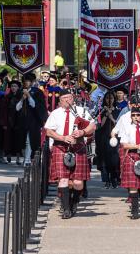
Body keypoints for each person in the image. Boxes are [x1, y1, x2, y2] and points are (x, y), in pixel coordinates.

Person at [45, 88, 96, 219]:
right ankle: (66, 209)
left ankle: (74, 202)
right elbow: (49, 131)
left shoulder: (81, 111)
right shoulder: (55, 113)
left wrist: (82, 132)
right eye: (64, 98)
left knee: (78, 183)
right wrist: (62, 138)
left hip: (78, 147)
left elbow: (92, 126)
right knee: (63, 180)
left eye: (70, 97)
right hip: (61, 147)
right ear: (60, 101)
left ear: (73, 98)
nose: (68, 100)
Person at [16, 73, 48, 166]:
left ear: (32, 82)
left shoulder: (37, 92)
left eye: (28, 81)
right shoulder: (19, 92)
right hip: (22, 120)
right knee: (22, 141)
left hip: (34, 120)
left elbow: (36, 106)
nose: (26, 83)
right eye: (25, 81)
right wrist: (22, 98)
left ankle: (28, 159)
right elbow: (17, 108)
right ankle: (25, 158)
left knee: (30, 140)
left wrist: (29, 96)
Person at [95, 91, 121, 188]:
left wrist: (111, 115)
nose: (109, 100)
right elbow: (100, 125)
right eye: (107, 98)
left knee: (114, 158)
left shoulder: (117, 111)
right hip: (104, 137)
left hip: (114, 138)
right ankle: (106, 179)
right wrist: (106, 114)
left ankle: (114, 177)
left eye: (111, 98)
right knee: (105, 158)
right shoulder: (101, 111)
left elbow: (117, 124)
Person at [4, 80, 24, 165]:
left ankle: (18, 158)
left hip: (19, 120)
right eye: (12, 86)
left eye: (15, 86)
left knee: (18, 139)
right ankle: (8, 155)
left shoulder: (21, 96)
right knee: (9, 139)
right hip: (9, 120)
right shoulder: (7, 97)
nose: (13, 88)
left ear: (18, 87)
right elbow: (4, 110)